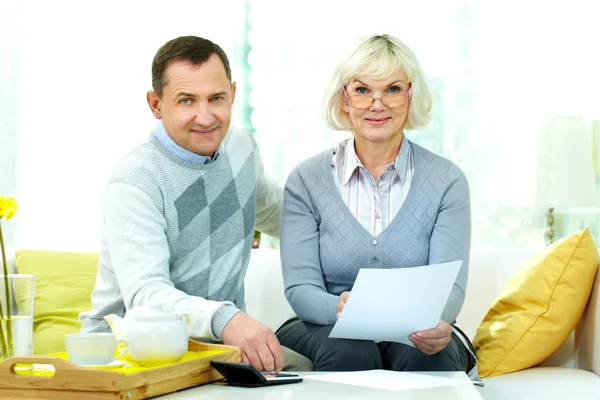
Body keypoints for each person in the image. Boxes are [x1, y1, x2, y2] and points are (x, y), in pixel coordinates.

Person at [79, 36, 308, 372]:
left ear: (232, 93)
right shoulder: (134, 181)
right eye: (186, 101)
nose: (205, 116)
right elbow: (147, 295)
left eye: (216, 98)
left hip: (215, 352)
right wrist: (227, 318)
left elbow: (286, 217)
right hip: (128, 357)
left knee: (325, 367)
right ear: (155, 104)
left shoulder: (240, 148)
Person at [275, 34, 479, 381]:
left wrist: (434, 323)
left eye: (393, 89)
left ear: (410, 95)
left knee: (423, 355)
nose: (377, 103)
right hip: (326, 325)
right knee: (352, 350)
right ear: (344, 98)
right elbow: (300, 287)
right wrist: (338, 308)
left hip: (419, 327)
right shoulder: (306, 180)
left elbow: (450, 287)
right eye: (362, 89)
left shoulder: (447, 180)